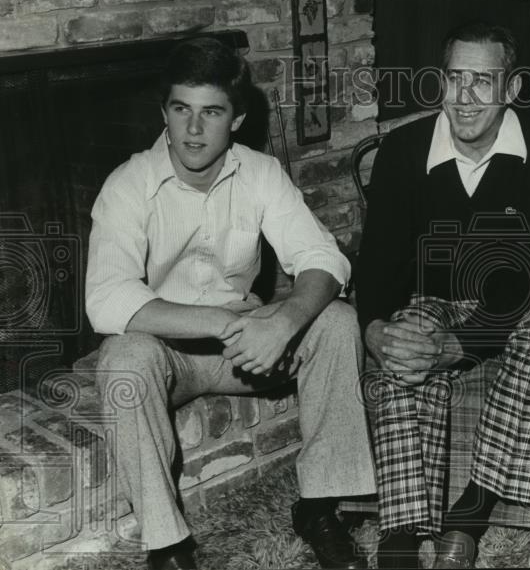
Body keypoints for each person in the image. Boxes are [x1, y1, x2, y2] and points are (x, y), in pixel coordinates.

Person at [86, 37, 375, 570]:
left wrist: (284, 319)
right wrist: (222, 320)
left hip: (246, 349)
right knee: (123, 358)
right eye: (182, 110)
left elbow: (325, 259)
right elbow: (106, 299)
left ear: (236, 119)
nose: (194, 130)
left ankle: (320, 508)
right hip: (169, 353)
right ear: (165, 114)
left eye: (211, 112)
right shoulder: (128, 184)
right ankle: (167, 546)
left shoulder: (260, 172)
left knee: (335, 321)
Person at [355, 22, 530, 569]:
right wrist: (377, 330)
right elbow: (380, 258)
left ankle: (472, 511)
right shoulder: (403, 150)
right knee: (406, 338)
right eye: (454, 78)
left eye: (482, 81)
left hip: (524, 306)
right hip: (432, 300)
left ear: (512, 88)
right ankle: (402, 539)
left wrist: (462, 343)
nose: (464, 98)